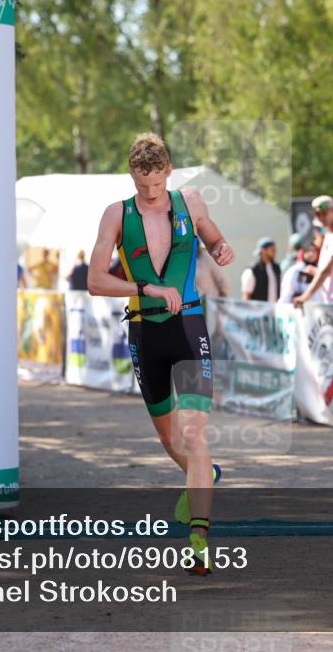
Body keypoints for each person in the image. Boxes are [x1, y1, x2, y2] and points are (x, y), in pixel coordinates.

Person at [86, 132, 235, 575]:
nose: (149, 195)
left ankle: (199, 541)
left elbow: (215, 240)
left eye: (155, 186)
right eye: (140, 185)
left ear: (168, 172)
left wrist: (222, 249)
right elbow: (96, 281)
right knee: (171, 441)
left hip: (188, 326)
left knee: (193, 434)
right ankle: (202, 475)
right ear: (132, 175)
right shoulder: (117, 214)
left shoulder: (189, 202)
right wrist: (144, 286)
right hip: (143, 332)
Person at [294, 195, 333, 306]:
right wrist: (316, 271)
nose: (321, 217)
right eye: (318, 214)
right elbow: (330, 270)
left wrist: (306, 296)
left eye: (325, 213)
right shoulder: (331, 234)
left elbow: (327, 270)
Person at [278, 238, 321, 303]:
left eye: (313, 251)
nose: (311, 254)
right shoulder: (295, 270)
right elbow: (287, 294)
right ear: (303, 253)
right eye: (308, 251)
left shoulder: (320, 271)